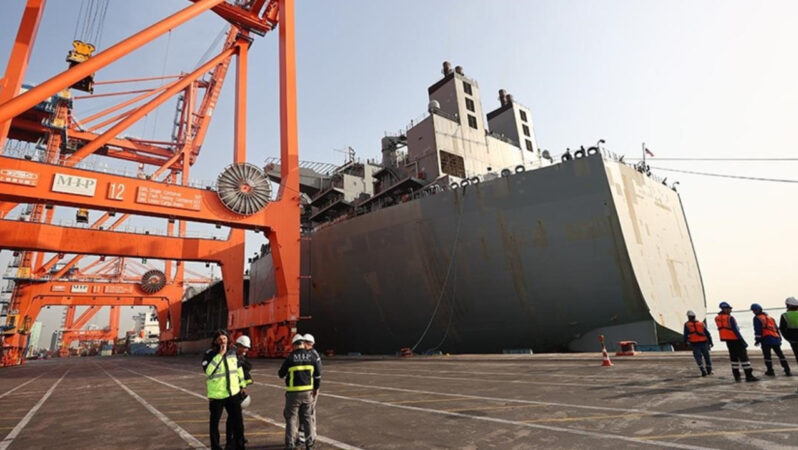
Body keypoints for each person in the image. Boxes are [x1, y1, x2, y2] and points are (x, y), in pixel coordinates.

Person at [202, 330, 246, 450]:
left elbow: (239, 370)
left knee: (238, 422)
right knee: (214, 424)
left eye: (224, 338)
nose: (223, 341)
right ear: (216, 341)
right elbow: (208, 371)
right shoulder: (210, 354)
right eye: (220, 339)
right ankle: (216, 447)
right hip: (217, 395)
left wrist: (243, 385)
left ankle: (239, 445)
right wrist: (220, 355)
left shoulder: (232, 352)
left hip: (233, 393)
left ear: (228, 339)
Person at [279, 334, 321, 449]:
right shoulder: (312, 357)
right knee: (307, 419)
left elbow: (281, 374)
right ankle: (309, 444)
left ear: (293, 345)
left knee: (291, 419)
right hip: (308, 393)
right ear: (303, 343)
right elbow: (317, 375)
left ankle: (290, 445)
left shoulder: (290, 358)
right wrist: (315, 389)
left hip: (293, 394)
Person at [715, 302, 759, 382]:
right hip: (736, 340)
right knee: (744, 358)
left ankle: (736, 376)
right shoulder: (730, 318)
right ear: (725, 309)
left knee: (733, 359)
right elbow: (735, 330)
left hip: (728, 341)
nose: (730, 310)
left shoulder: (717, 318)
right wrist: (742, 341)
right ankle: (749, 376)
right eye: (729, 309)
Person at [226, 335, 253, 447]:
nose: (246, 350)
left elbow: (243, 371)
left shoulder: (239, 357)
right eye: (245, 347)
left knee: (236, 416)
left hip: (237, 389)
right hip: (231, 390)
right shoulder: (231, 356)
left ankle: (237, 437)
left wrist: (243, 386)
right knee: (233, 417)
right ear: (239, 346)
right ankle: (231, 440)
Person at [751, 303, 791, 376]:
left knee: (767, 356)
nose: (754, 312)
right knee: (780, 355)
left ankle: (770, 371)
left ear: (759, 309)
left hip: (766, 339)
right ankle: (787, 369)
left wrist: (757, 340)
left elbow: (758, 330)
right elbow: (776, 328)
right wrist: (779, 338)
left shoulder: (757, 318)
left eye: (755, 310)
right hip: (775, 338)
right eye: (753, 310)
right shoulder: (770, 317)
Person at [300, 334, 321, 445]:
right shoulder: (313, 354)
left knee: (309, 412)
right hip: (310, 387)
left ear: (307, 343)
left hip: (310, 388)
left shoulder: (311, 355)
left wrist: (315, 388)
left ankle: (311, 436)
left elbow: (317, 374)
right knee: (308, 412)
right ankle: (308, 435)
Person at [683, 310, 713, 376]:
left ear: (688, 317)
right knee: (707, 356)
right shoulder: (701, 323)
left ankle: (703, 370)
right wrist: (711, 342)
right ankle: (709, 370)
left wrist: (685, 342)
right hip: (703, 342)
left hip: (695, 343)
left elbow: (685, 335)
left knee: (698, 357)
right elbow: (707, 333)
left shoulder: (687, 325)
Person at [779, 296, 798, 364]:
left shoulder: (785, 315)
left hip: (793, 340)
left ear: (788, 305)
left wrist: (788, 338)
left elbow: (782, 329)